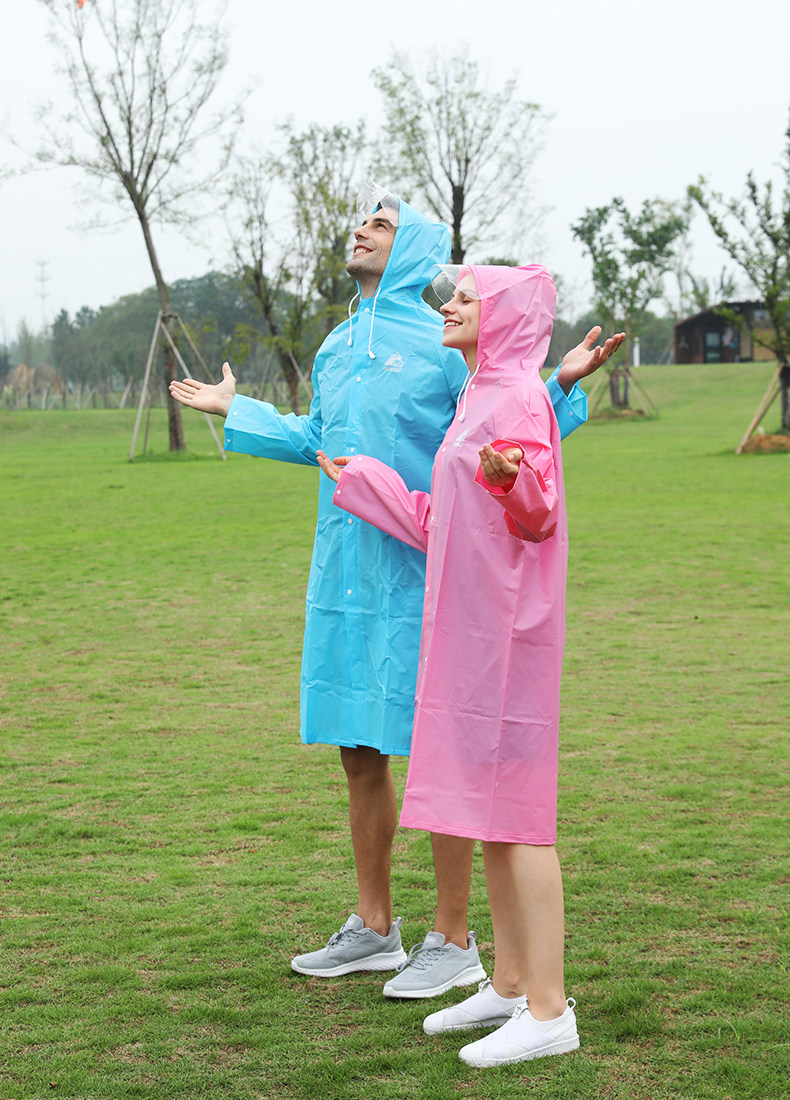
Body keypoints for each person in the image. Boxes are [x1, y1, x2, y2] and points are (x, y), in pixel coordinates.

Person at [169, 185, 623, 999]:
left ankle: (454, 936)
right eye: (361, 221)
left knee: (442, 751)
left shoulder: (448, 342)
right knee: (358, 748)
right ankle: (375, 927)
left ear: (411, 245)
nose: (361, 230)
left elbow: (509, 432)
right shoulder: (337, 346)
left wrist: (560, 387)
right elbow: (320, 441)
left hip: (428, 568)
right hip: (343, 567)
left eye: (380, 223)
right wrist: (243, 410)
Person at [317, 262, 579, 1067]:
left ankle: (549, 1009)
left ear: (504, 316)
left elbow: (538, 515)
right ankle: (508, 984)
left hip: (507, 635)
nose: (450, 306)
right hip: (469, 631)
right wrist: (366, 480)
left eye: (467, 297)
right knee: (491, 816)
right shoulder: (480, 392)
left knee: (520, 820)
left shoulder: (518, 395)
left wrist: (515, 481)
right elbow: (445, 522)